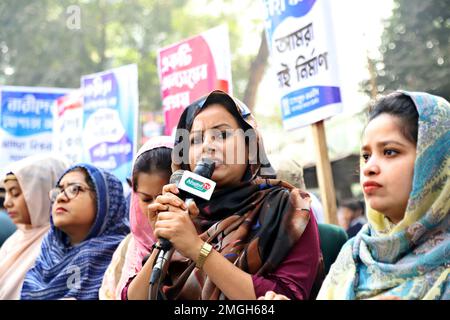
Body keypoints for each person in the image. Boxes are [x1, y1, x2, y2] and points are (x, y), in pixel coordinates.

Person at [126, 90, 322, 300]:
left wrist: (196, 248)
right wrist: (165, 241)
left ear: (250, 146)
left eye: (223, 135)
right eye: (195, 140)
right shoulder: (184, 212)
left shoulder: (288, 208)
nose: (208, 146)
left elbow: (285, 295)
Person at [316, 91, 449, 300]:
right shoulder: (354, 253)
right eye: (366, 156)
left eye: (389, 152)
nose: (368, 167)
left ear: (433, 162)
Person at [21, 164, 129, 300]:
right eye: (59, 191)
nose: (61, 197)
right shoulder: (48, 250)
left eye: (74, 189)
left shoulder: (124, 254)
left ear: (104, 200)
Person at [99, 136, 174, 299]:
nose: (156, 206)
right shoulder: (128, 248)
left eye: (165, 196)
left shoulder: (204, 238)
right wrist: (162, 245)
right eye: (146, 199)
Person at [0, 154, 69, 299]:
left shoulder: (58, 245)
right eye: (6, 193)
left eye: (15, 193)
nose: (7, 203)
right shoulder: (16, 239)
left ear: (43, 193)